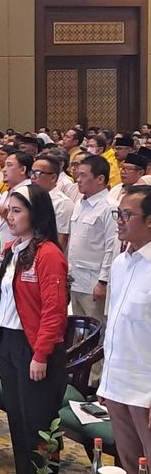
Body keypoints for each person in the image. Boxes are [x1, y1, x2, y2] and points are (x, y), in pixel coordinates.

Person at [0, 184, 68, 474]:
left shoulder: (48, 254)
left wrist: (41, 354)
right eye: (8, 211)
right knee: (18, 419)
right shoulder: (11, 250)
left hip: (35, 347)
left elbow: (54, 310)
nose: (10, 217)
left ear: (36, 214)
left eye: (17, 211)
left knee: (39, 423)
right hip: (9, 342)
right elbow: (2, 300)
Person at [98, 186, 151, 469]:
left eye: (127, 215)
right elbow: (115, 327)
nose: (119, 220)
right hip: (119, 383)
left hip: (146, 389)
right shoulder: (120, 264)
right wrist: (106, 381)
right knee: (130, 462)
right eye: (117, 213)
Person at [68, 155, 116, 325]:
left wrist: (103, 282)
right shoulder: (79, 203)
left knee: (96, 330)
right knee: (78, 331)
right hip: (75, 279)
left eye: (83, 175)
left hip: (93, 283)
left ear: (100, 179)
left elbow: (112, 247)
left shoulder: (109, 207)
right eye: (77, 174)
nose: (78, 179)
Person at [31, 154, 75, 250]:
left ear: (53, 178)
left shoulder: (63, 203)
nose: (32, 177)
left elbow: (61, 240)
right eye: (32, 172)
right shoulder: (31, 198)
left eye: (37, 173)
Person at [0, 152, 33, 248]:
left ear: (23, 169)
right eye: (5, 165)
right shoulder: (5, 193)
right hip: (3, 248)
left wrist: (7, 218)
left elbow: (31, 226)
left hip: (23, 248)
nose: (4, 170)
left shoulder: (30, 193)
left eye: (9, 165)